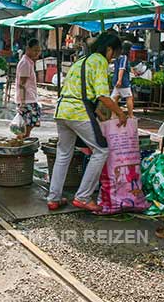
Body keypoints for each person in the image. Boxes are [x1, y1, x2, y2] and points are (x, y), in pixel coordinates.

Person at [47, 33, 128, 213]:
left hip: (62, 110)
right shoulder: (99, 61)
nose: (112, 59)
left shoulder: (81, 61)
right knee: (101, 150)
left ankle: (53, 198)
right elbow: (102, 96)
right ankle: (83, 197)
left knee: (63, 153)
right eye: (113, 54)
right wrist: (120, 113)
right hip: (78, 112)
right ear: (108, 49)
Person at [15, 38, 42, 139]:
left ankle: (20, 148)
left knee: (26, 130)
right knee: (24, 131)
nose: (37, 53)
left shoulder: (29, 62)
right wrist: (22, 103)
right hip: (27, 101)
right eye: (35, 50)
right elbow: (22, 84)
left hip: (30, 99)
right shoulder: (25, 63)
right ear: (28, 49)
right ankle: (18, 149)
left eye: (39, 50)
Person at [112, 41, 134, 117]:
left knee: (115, 98)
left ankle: (113, 114)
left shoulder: (117, 56)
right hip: (123, 81)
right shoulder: (124, 57)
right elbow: (122, 68)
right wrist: (120, 80)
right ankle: (131, 115)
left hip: (115, 80)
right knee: (129, 97)